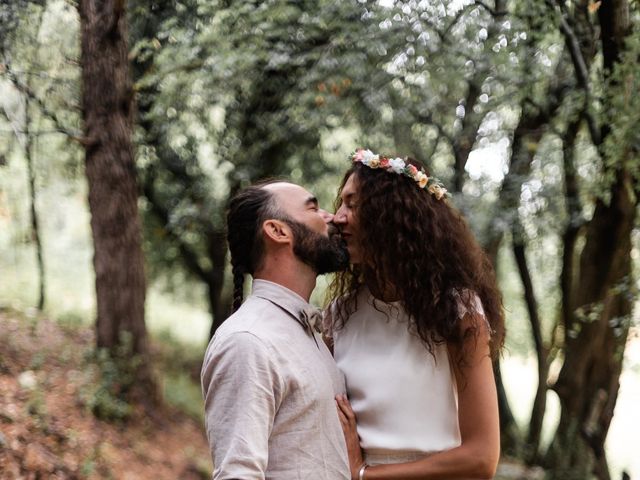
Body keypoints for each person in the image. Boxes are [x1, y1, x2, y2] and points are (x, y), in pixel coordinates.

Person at [325, 149, 506, 480]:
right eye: (341, 203)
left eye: (353, 204)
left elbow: (482, 458)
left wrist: (364, 475)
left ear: (391, 214)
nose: (338, 216)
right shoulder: (339, 314)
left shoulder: (458, 310)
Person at [201, 180, 351, 479]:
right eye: (313, 208)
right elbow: (238, 474)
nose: (330, 217)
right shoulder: (248, 341)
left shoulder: (309, 335)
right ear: (278, 231)